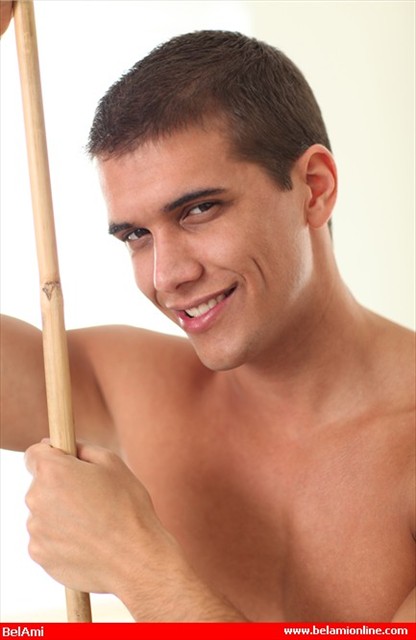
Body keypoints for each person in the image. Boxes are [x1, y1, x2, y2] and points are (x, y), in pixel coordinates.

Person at [1, 4, 415, 622]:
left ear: (315, 187)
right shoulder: (132, 388)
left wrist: (136, 565)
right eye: (136, 235)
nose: (166, 275)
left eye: (198, 210)